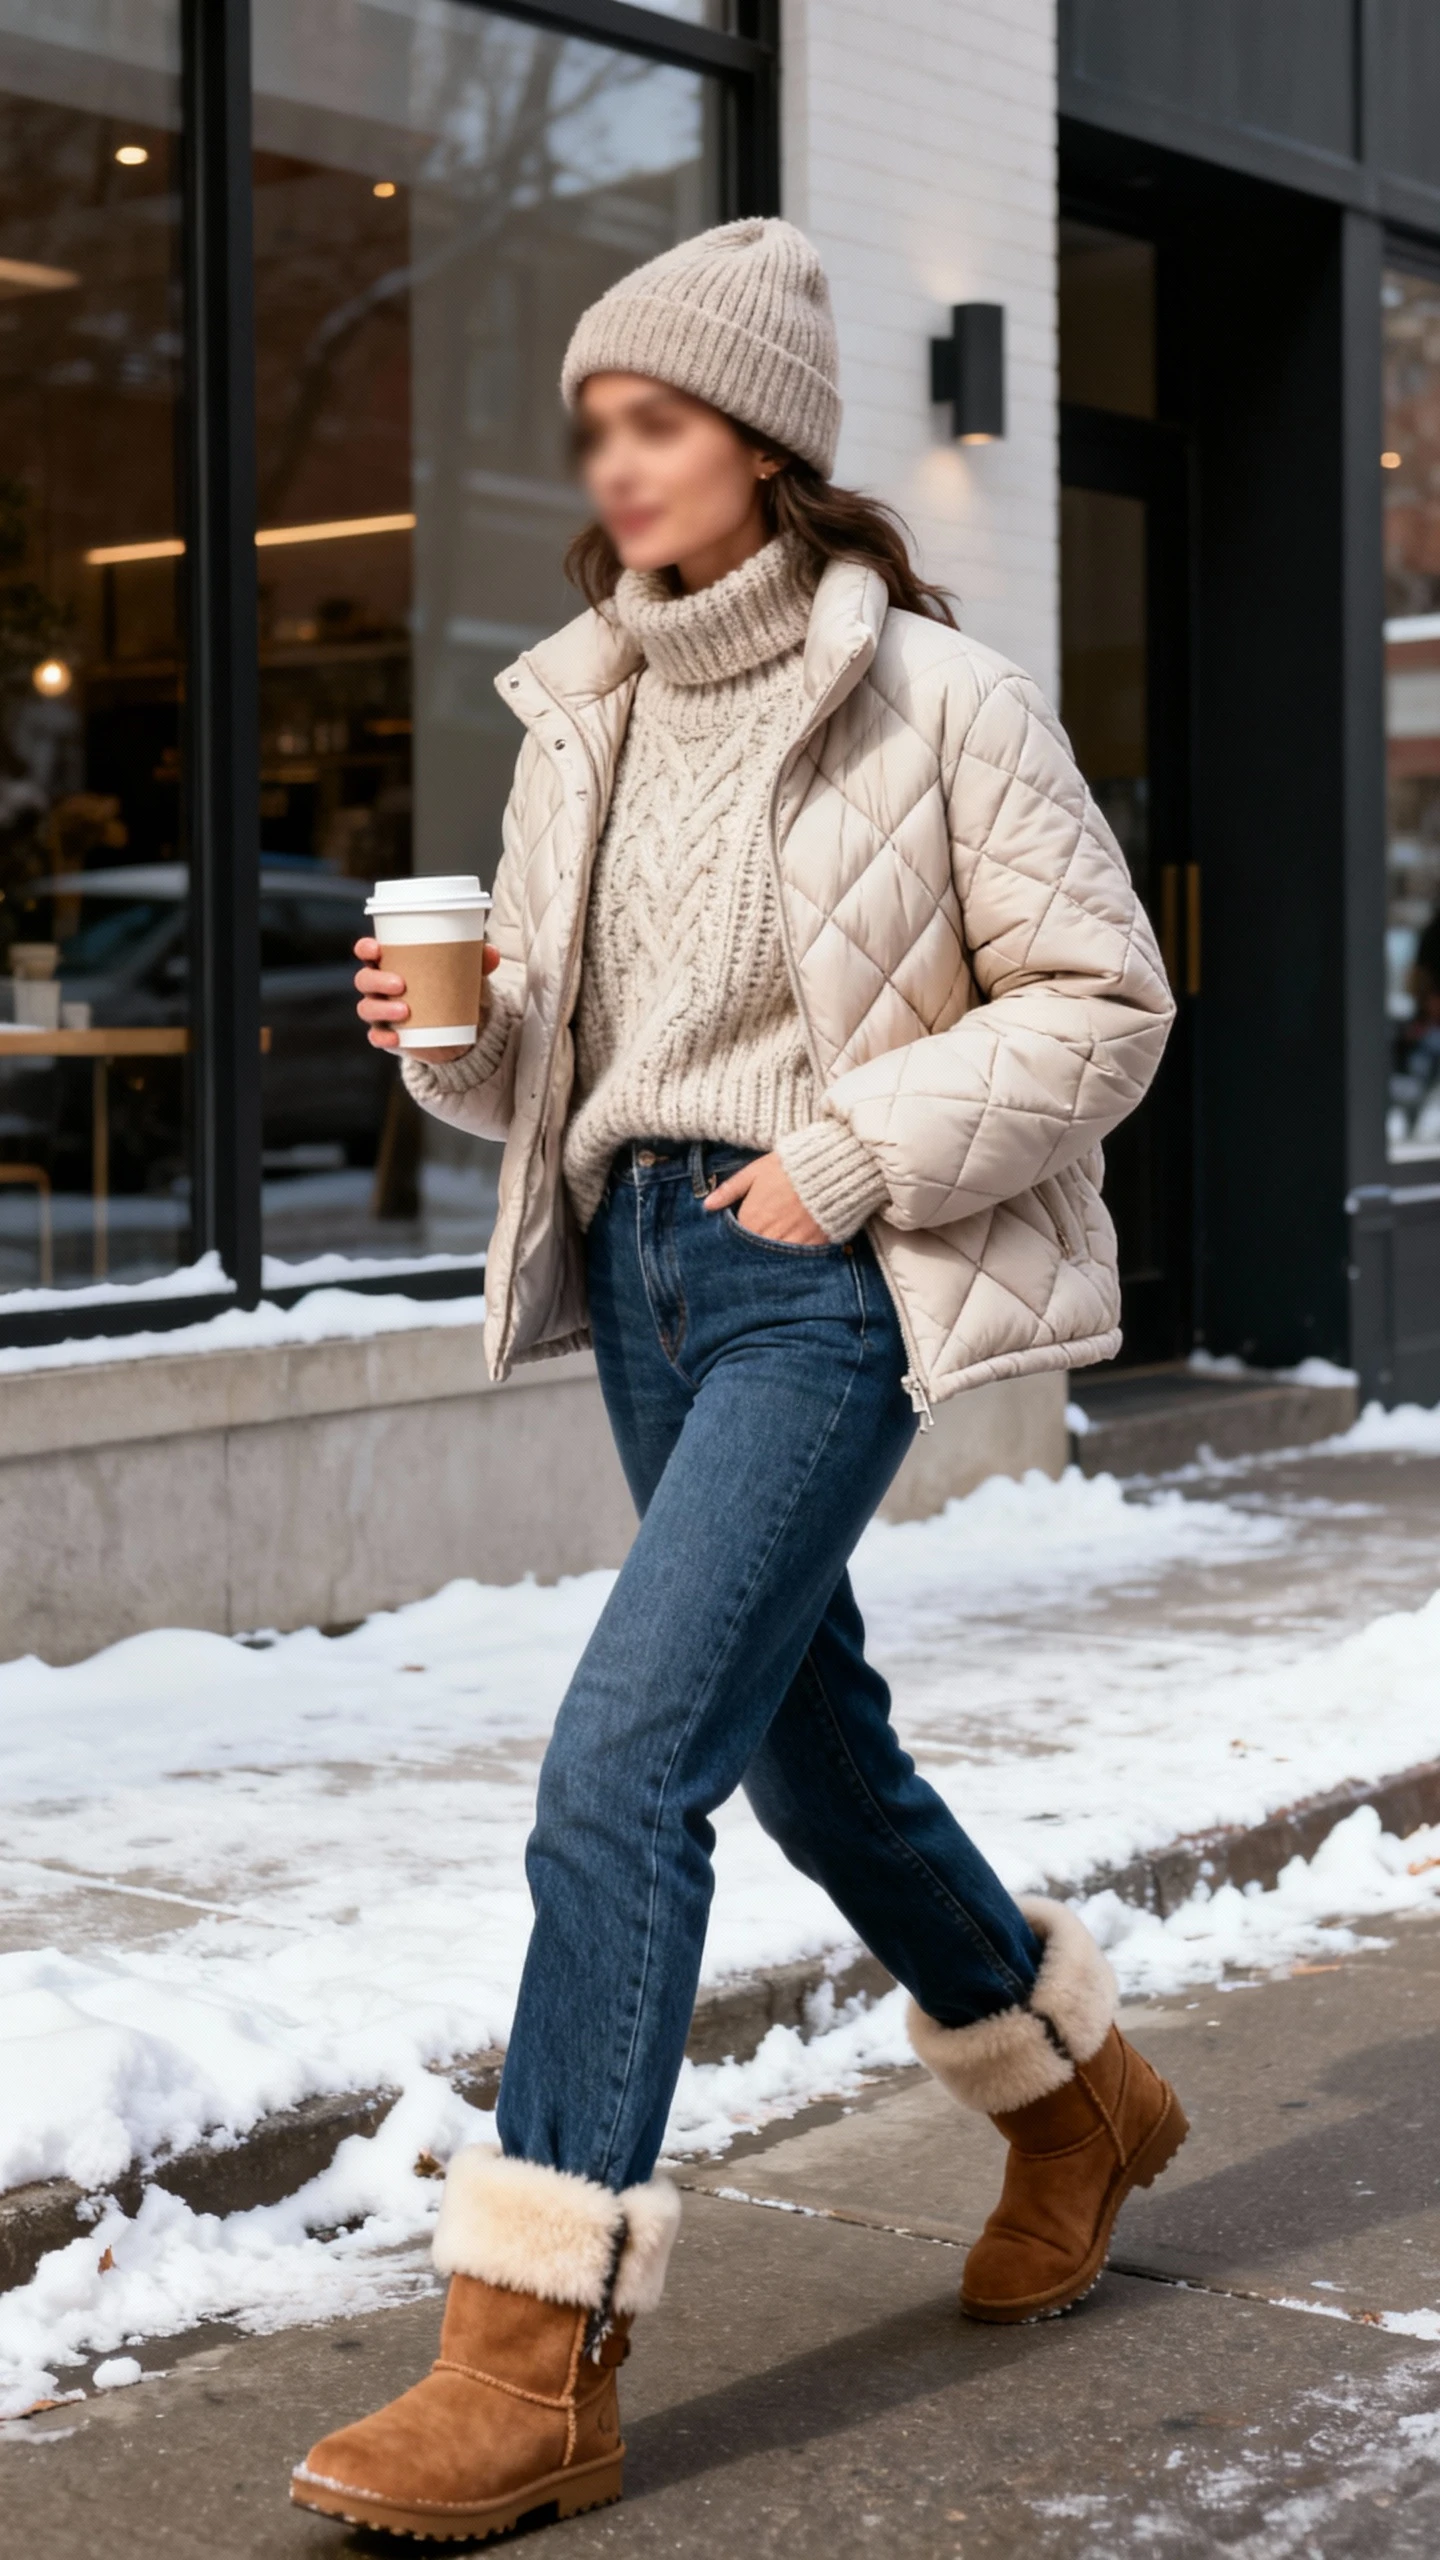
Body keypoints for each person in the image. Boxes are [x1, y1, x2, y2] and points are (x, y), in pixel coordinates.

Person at [291, 218, 1184, 2542]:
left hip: (821, 1274)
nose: (614, 458)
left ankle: (528, 2358)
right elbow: (553, 1072)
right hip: (645, 1264)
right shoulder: (576, 706)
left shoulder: (939, 697)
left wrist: (852, 1154)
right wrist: (458, 1046)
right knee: (807, 1749)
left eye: (655, 417)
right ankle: (1081, 2104)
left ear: (764, 441)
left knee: (623, 1762)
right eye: (594, 423)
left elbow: (1107, 1002)